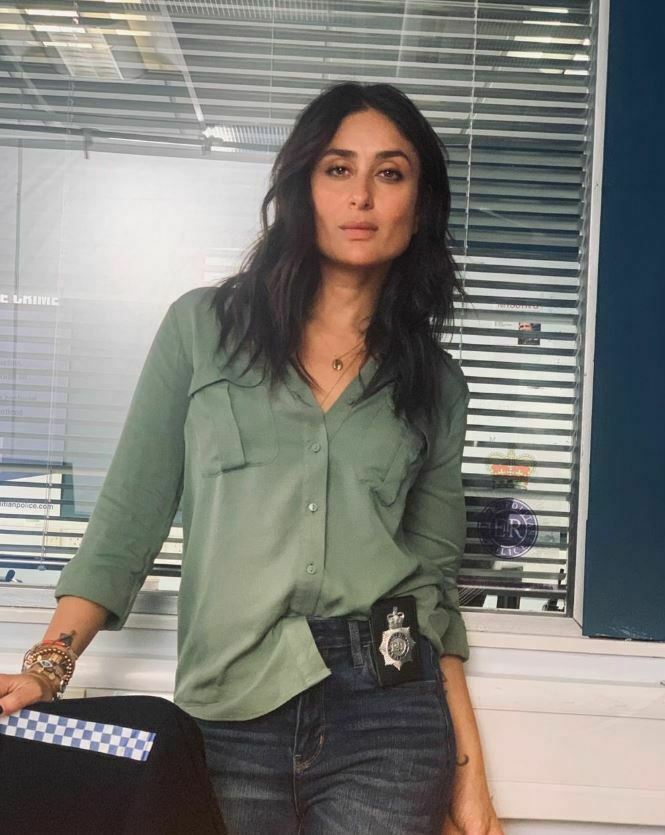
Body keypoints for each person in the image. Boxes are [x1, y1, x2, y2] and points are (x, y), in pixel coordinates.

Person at [0, 81, 503, 835]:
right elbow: (127, 523)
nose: (361, 196)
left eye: (390, 173)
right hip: (229, 709)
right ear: (303, 187)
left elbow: (431, 592)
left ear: (419, 204)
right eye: (338, 168)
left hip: (388, 713)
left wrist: (470, 776)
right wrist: (48, 667)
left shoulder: (436, 383)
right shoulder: (201, 330)